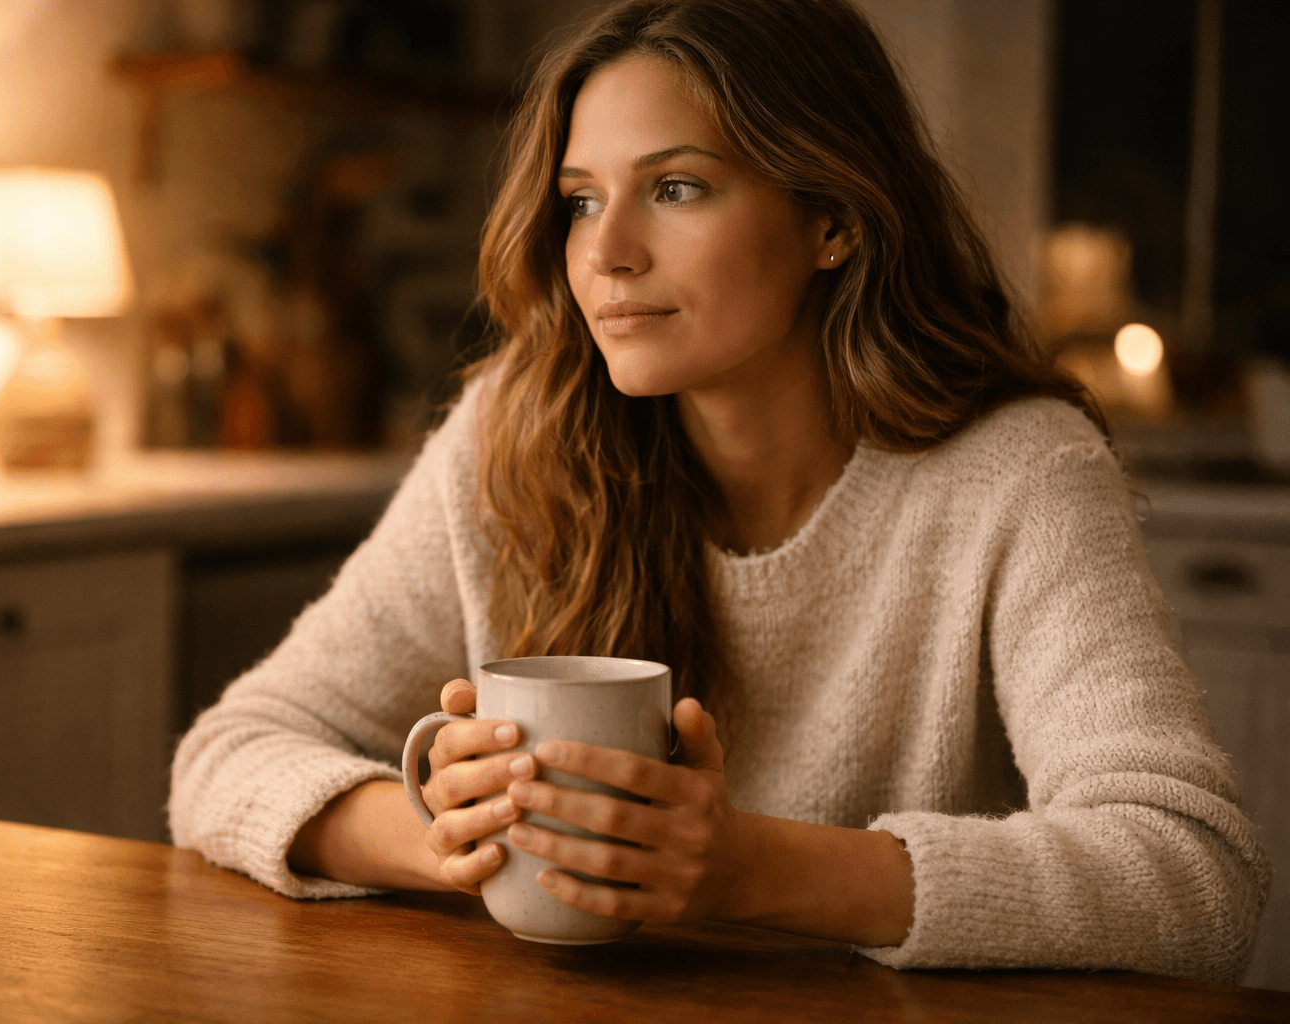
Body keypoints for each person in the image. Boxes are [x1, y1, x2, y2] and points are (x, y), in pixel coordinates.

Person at [169, 0, 1270, 981]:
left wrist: (744, 867)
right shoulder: (517, 428)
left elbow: (1192, 875)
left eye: (677, 188)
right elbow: (227, 755)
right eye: (581, 199)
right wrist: (455, 835)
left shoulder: (1016, 472)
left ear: (835, 218)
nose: (608, 254)